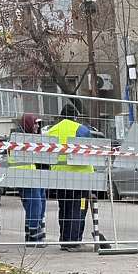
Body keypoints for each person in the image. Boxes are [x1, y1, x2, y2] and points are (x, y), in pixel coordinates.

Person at [46, 102, 92, 251]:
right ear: (75, 117)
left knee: (64, 208)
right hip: (81, 177)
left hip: (60, 177)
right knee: (79, 208)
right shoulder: (81, 129)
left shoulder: (51, 131)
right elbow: (92, 151)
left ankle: (65, 241)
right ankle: (75, 242)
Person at [9, 114, 47, 243]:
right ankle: (33, 234)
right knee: (34, 204)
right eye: (35, 123)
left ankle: (33, 231)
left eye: (39, 124)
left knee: (40, 202)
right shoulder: (19, 138)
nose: (37, 126)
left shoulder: (31, 137)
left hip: (33, 175)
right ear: (28, 123)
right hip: (24, 176)